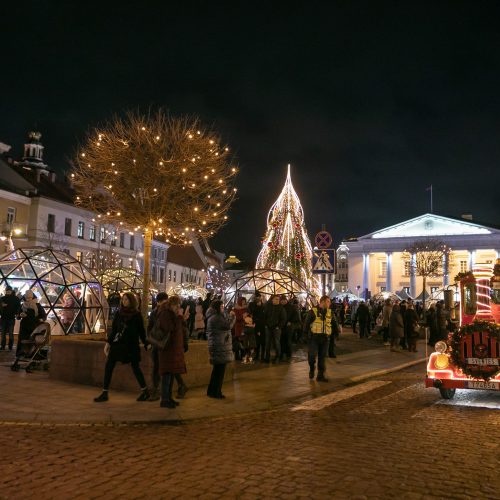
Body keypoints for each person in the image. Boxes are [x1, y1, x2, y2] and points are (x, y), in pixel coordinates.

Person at [94, 292, 149, 403]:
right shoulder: (119, 314)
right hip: (118, 344)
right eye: (123, 299)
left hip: (131, 346)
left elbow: (141, 331)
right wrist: (108, 343)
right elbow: (114, 330)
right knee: (109, 365)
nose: (124, 301)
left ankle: (145, 391)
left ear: (131, 301)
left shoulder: (137, 315)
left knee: (135, 367)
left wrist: (146, 343)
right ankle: (105, 392)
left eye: (126, 299)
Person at [156, 295, 187, 408]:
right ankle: (164, 400)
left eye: (179, 305)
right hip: (167, 348)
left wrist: (182, 318)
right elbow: (170, 328)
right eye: (177, 305)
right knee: (167, 376)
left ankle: (169, 398)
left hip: (173, 348)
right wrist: (179, 318)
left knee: (171, 375)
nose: (178, 307)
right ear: (172, 304)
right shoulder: (165, 313)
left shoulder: (171, 314)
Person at [206, 299, 235, 399]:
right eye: (221, 307)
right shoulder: (216, 318)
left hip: (218, 345)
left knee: (217, 370)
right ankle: (216, 392)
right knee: (219, 372)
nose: (223, 308)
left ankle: (211, 391)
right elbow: (228, 326)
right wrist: (232, 316)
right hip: (219, 346)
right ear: (217, 308)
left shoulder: (215, 316)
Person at [304, 295, 334, 382]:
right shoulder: (313, 311)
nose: (329, 303)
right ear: (323, 302)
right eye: (328, 301)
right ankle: (312, 368)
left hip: (325, 338)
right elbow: (306, 324)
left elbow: (333, 322)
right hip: (314, 338)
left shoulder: (330, 312)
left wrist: (337, 330)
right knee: (312, 356)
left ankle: (320, 375)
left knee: (322, 357)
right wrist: (305, 336)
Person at [16, 290, 47, 358]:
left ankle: (32, 354)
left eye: (30, 298)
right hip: (24, 326)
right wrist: (20, 315)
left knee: (33, 340)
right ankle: (22, 353)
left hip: (34, 326)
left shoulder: (37, 305)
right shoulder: (22, 305)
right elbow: (17, 316)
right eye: (27, 298)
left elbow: (44, 316)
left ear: (33, 297)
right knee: (22, 339)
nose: (28, 299)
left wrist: (40, 320)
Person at [263, 294, 287, 363]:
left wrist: (278, 326)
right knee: (267, 343)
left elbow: (283, 319)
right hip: (268, 327)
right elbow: (264, 316)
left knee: (277, 343)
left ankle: (277, 357)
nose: (277, 301)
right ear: (272, 299)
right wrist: (266, 325)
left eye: (278, 299)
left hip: (276, 328)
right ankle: (267, 357)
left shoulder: (281, 308)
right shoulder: (268, 307)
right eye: (276, 299)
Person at [0, 286, 21, 350]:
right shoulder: (2, 298)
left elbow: (18, 308)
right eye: (7, 290)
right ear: (5, 291)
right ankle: (4, 346)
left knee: (10, 333)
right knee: (3, 333)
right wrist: (1, 306)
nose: (8, 291)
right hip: (4, 318)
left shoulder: (15, 299)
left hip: (11, 318)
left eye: (9, 290)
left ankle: (10, 346)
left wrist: (17, 314)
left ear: (11, 291)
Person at [248, 292, 266, 361]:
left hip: (262, 325)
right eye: (257, 297)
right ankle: (257, 355)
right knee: (257, 342)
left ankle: (262, 356)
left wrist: (260, 306)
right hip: (255, 325)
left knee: (263, 341)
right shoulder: (252, 304)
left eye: (259, 297)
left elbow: (264, 315)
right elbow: (251, 312)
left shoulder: (263, 305)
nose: (258, 298)